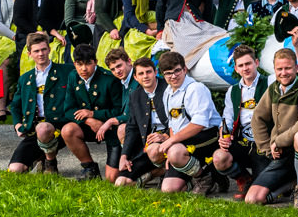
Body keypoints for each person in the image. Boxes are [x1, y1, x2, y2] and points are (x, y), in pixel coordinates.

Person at [248, 44, 298, 209]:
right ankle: (291, 185)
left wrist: (278, 141)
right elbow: (258, 118)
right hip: (281, 153)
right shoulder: (274, 89)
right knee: (253, 199)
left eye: (288, 68)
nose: (283, 73)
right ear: (274, 70)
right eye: (279, 69)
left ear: (296, 67)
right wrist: (267, 149)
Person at [146, 51, 223, 194]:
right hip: (183, 140)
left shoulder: (195, 89)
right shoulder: (167, 92)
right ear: (162, 74)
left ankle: (205, 178)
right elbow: (172, 124)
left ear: (184, 69)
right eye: (168, 73)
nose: (173, 76)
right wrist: (171, 148)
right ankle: (189, 175)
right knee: (168, 188)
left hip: (206, 138)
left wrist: (171, 143)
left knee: (174, 152)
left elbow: (199, 124)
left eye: (177, 71)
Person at [7, 35, 79, 175]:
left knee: (44, 128)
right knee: (15, 170)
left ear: (49, 49)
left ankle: (50, 163)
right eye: (36, 51)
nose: (41, 54)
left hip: (61, 126)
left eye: (44, 49)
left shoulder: (67, 71)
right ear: (29, 53)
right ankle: (40, 156)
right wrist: (17, 125)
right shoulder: (25, 78)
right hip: (34, 128)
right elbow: (15, 105)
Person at [213, 45, 270, 194]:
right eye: (241, 65)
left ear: (256, 63)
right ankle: (243, 178)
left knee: (260, 192)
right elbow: (227, 119)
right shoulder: (232, 91)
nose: (245, 68)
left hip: (264, 144)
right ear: (236, 69)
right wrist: (223, 137)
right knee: (219, 158)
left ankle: (261, 182)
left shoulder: (270, 82)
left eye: (248, 63)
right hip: (242, 142)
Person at [59, 44, 121, 181]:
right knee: (68, 130)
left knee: (112, 178)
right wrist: (89, 120)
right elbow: (68, 109)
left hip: (111, 128)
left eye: (88, 63)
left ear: (95, 62)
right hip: (88, 126)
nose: (84, 68)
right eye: (79, 64)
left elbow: (119, 110)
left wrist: (94, 114)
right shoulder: (73, 76)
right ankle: (90, 168)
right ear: (74, 64)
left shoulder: (109, 79)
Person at [110, 50, 166, 187]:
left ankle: (166, 171)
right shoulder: (135, 95)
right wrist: (124, 156)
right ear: (135, 77)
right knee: (120, 182)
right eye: (141, 73)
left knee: (154, 150)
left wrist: (165, 136)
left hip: (168, 141)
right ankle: (157, 172)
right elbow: (132, 127)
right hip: (146, 144)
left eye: (148, 72)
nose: (145, 76)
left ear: (155, 72)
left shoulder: (168, 89)